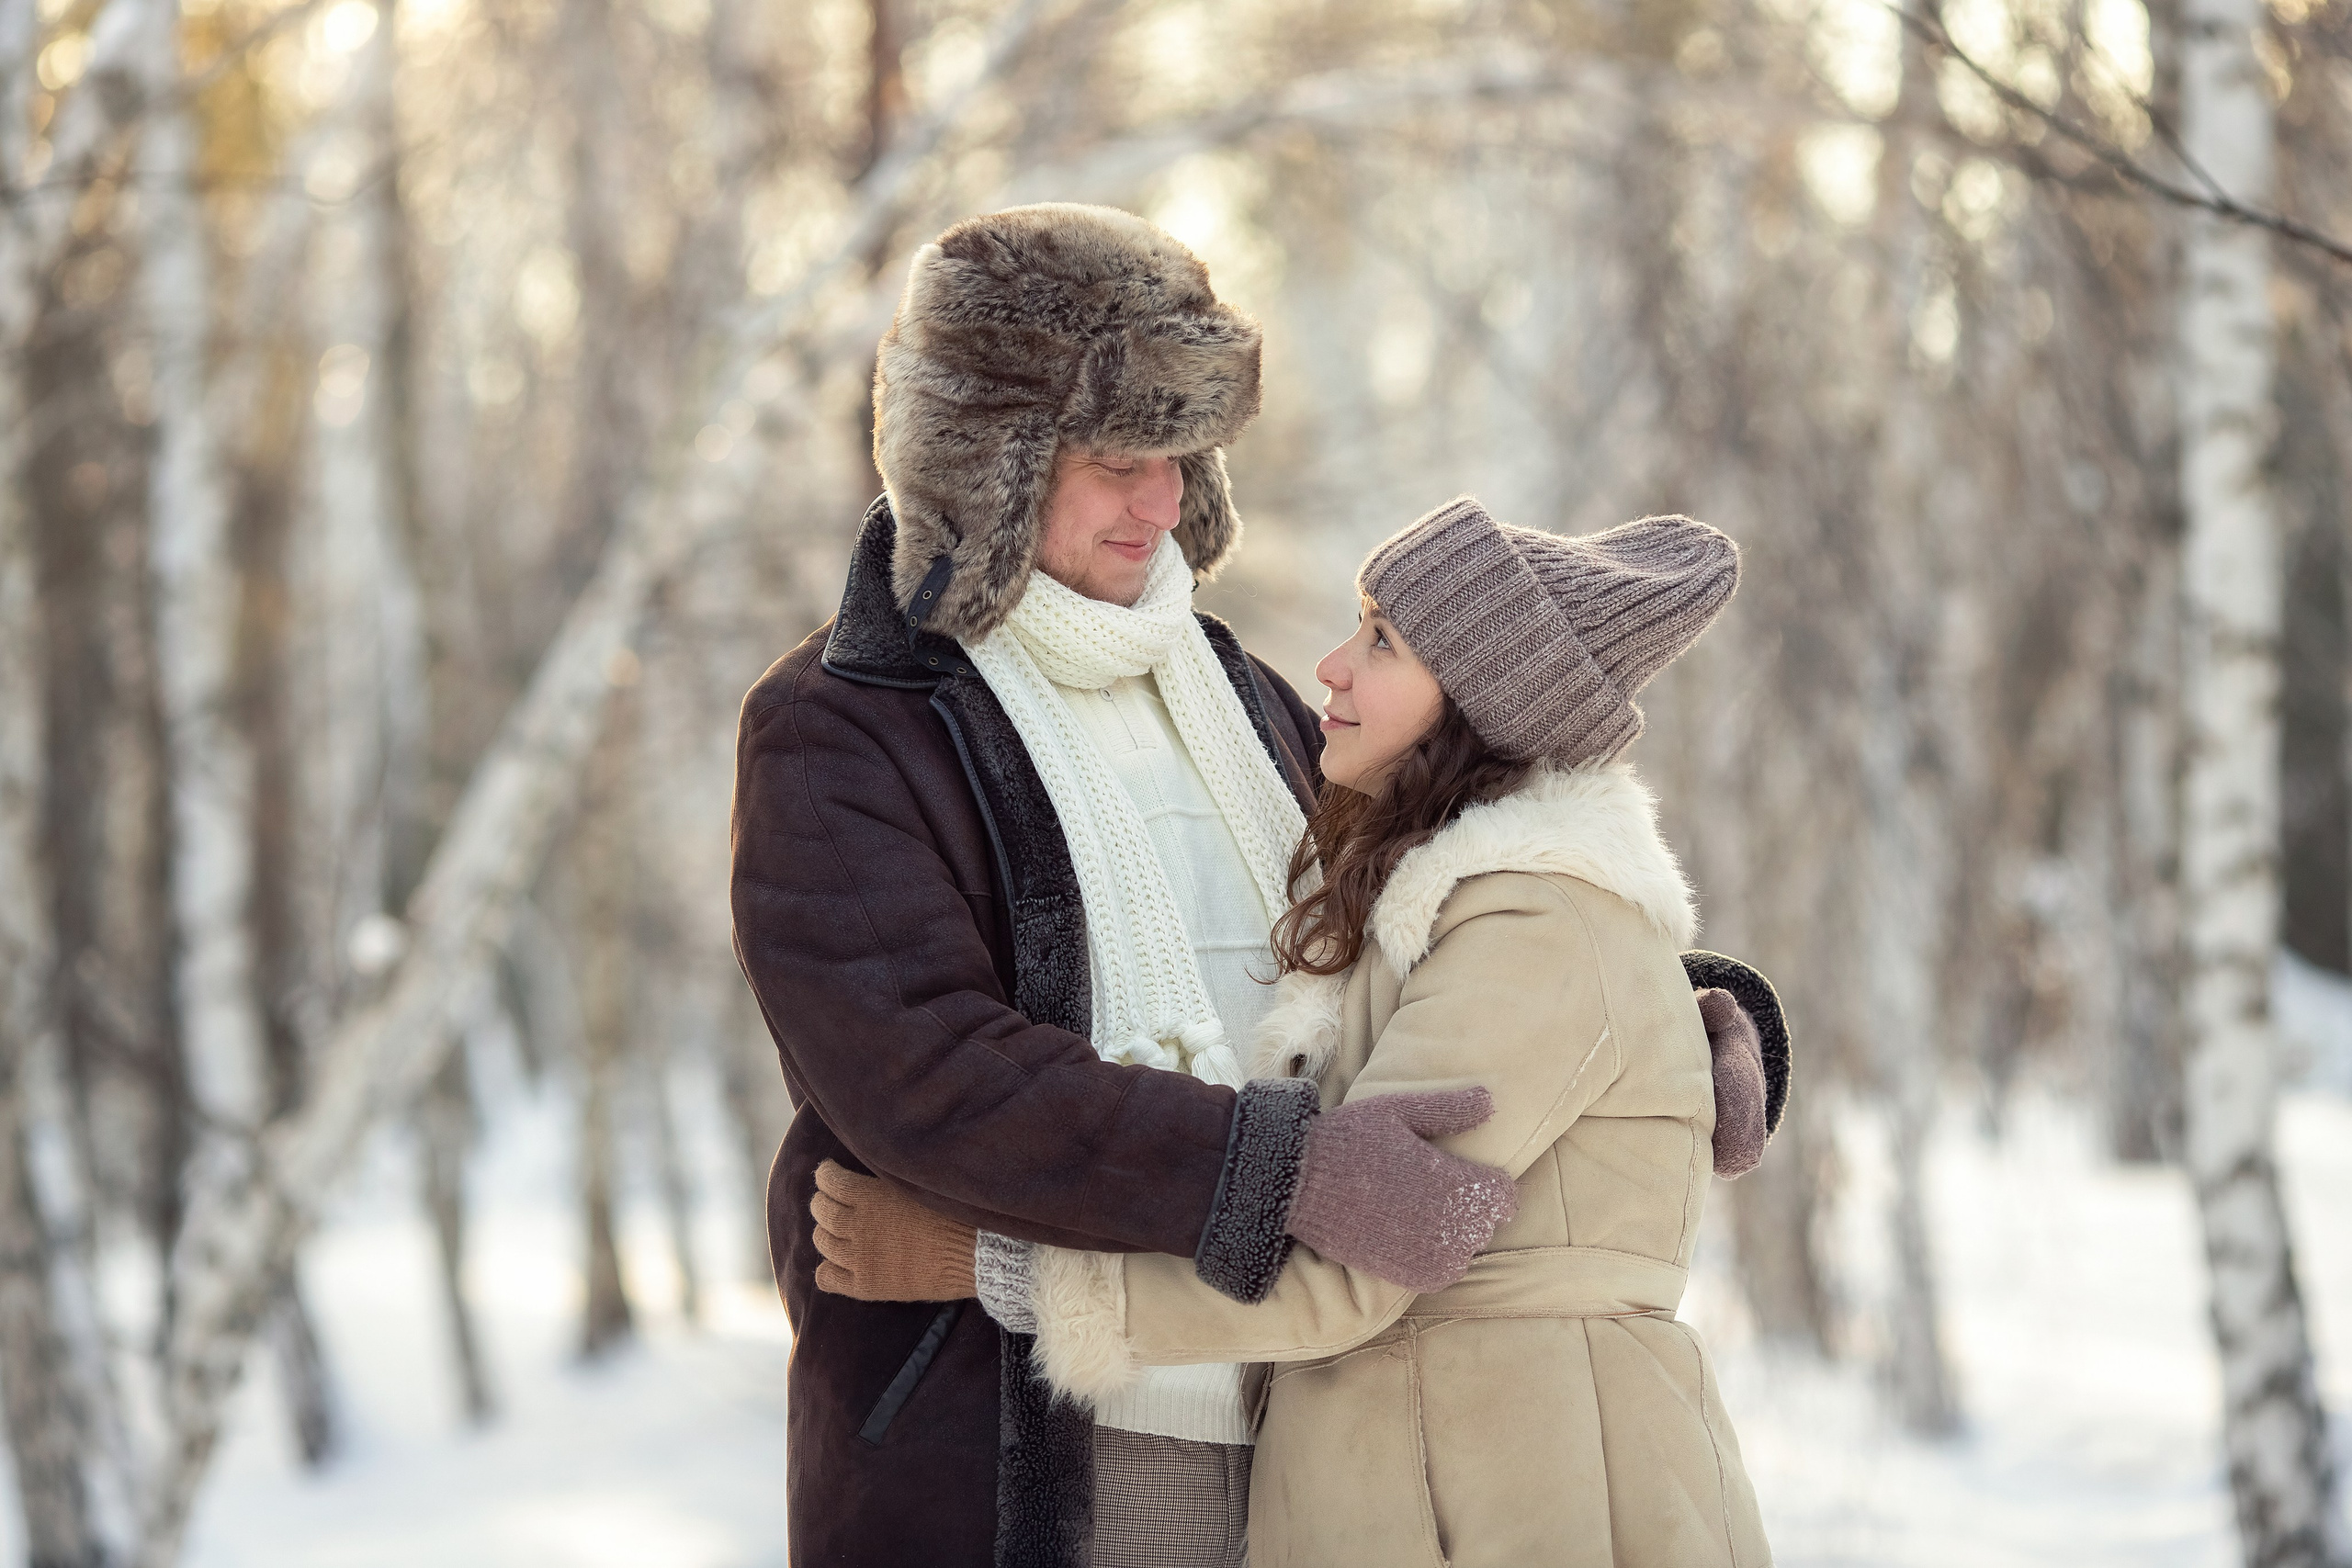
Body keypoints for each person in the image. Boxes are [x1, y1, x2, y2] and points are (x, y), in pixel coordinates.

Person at [729, 206, 1521, 1568]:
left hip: (1310, 1418)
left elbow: (1424, 925)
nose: (1157, 504)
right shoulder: (843, 727)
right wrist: (1286, 1171)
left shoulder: (1240, 692)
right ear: (984, 462)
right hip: (1020, 1443)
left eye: (1179, 458)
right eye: (1113, 460)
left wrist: (1657, 1010)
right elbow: (932, 1078)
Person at [811, 497, 1790, 1567]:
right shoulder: (1470, 910)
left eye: (1382, 641)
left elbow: (1350, 1268)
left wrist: (989, 1268)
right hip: (1448, 1462)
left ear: (1480, 702)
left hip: (1518, 1484)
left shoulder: (1532, 920)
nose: (1330, 666)